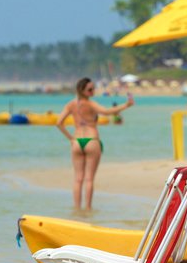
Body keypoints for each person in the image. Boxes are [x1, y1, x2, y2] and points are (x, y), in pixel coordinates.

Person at [56, 78, 134, 212]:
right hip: (92, 140)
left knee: (78, 179)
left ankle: (77, 210)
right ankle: (88, 209)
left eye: (93, 88)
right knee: (89, 179)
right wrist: (126, 105)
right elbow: (107, 112)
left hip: (77, 141)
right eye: (90, 89)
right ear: (82, 90)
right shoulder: (91, 104)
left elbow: (59, 123)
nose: (93, 91)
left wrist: (71, 139)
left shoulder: (71, 105)